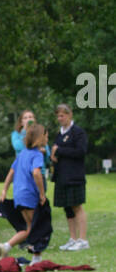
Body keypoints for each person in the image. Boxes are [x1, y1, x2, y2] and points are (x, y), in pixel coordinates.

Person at [0, 122, 47, 253]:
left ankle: (5, 247)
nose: (47, 139)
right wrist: (42, 194)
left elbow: (11, 173)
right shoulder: (37, 154)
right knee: (37, 226)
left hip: (19, 195)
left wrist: (4, 190)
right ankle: (35, 252)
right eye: (46, 136)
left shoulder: (22, 154)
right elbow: (36, 173)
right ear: (39, 138)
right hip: (29, 194)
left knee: (29, 227)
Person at [51, 102, 89, 250]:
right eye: (58, 115)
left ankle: (83, 239)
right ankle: (73, 239)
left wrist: (59, 151)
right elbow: (54, 151)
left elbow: (80, 152)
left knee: (77, 206)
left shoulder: (78, 132)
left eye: (63, 115)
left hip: (74, 175)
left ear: (69, 114)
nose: (60, 118)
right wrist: (53, 156)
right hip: (61, 176)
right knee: (67, 208)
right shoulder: (59, 134)